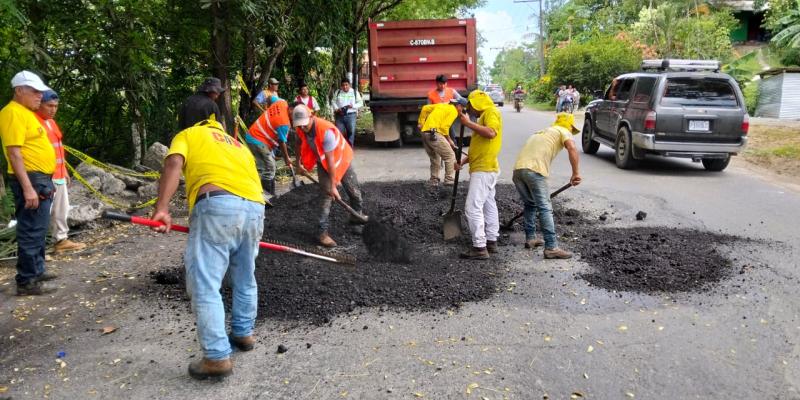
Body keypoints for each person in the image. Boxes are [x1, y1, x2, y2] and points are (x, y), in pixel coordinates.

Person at [151, 115, 265, 381]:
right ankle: (244, 333)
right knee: (245, 276)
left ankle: (216, 357)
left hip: (217, 205)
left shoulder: (189, 134)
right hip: (255, 208)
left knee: (205, 283)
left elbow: (173, 163)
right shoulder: (238, 145)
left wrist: (162, 208)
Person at [0, 70, 57, 295]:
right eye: (34, 91)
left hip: (40, 178)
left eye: (40, 92)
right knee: (31, 229)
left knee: (39, 228)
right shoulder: (13, 113)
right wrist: (28, 188)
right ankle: (27, 281)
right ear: (19, 91)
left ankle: (37, 270)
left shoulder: (26, 113)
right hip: (31, 179)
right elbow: (14, 153)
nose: (39, 96)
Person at [291, 104, 365, 248]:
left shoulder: (326, 131)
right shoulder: (300, 128)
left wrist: (334, 186)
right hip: (323, 162)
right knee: (326, 196)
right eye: (300, 125)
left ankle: (357, 219)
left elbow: (331, 162)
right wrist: (298, 163)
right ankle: (322, 233)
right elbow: (298, 143)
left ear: (312, 116)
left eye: (305, 124)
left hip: (341, 160)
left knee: (354, 192)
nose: (303, 128)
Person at [512, 113, 582, 259]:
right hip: (535, 171)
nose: (571, 131)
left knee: (530, 204)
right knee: (545, 208)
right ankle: (551, 247)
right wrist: (575, 173)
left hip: (518, 171)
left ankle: (531, 238)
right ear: (569, 126)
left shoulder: (542, 132)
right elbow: (572, 148)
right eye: (572, 129)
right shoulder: (563, 130)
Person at [34, 90, 86, 253]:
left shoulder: (51, 122)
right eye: (49, 105)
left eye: (56, 106)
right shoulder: (33, 122)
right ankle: (38, 248)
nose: (53, 109)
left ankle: (61, 240)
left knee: (61, 209)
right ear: (39, 104)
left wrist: (64, 170)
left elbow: (58, 148)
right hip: (43, 175)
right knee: (42, 212)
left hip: (58, 174)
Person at [454, 90, 503, 260]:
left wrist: (468, 123)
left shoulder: (491, 112)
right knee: (489, 204)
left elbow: (491, 133)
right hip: (486, 167)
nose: (470, 110)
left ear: (477, 103)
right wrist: (463, 162)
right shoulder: (484, 116)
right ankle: (491, 241)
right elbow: (480, 147)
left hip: (484, 170)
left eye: (470, 106)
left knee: (472, 207)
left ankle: (480, 247)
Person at [244, 95, 293, 196]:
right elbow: (282, 142)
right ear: (291, 109)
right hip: (258, 140)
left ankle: (268, 193)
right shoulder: (284, 123)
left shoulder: (281, 102)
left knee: (266, 166)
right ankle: (267, 196)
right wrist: (287, 158)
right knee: (269, 168)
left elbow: (270, 98)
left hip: (254, 134)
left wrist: (269, 111)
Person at [417, 98, 466, 186]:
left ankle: (434, 181)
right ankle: (449, 180)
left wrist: (421, 123)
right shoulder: (453, 111)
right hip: (435, 134)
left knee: (435, 158)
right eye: (462, 108)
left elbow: (425, 108)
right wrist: (449, 140)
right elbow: (444, 127)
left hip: (425, 133)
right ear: (458, 106)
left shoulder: (441, 105)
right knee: (450, 155)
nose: (462, 111)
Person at [332, 78, 362, 147]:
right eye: (343, 85)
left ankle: (349, 147)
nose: (345, 87)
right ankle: (341, 148)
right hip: (339, 115)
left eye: (346, 85)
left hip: (351, 115)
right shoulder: (338, 92)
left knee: (351, 132)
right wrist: (337, 108)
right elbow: (333, 101)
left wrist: (353, 106)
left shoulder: (354, 92)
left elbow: (360, 103)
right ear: (341, 86)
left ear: (349, 85)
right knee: (339, 132)